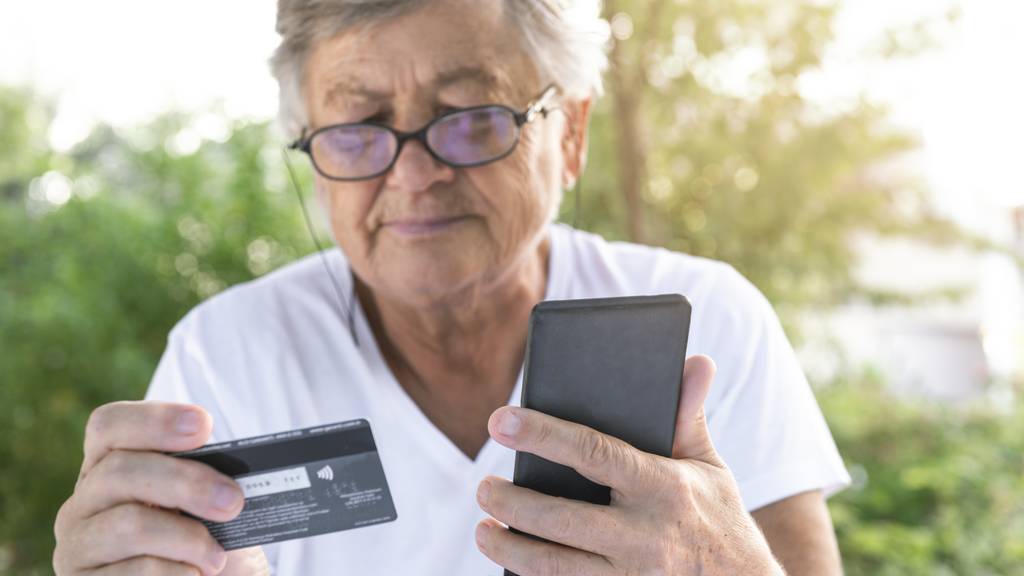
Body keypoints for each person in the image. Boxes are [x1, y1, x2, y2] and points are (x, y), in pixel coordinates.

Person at [52, 1, 851, 574]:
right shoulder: (224, 356)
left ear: (569, 134)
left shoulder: (711, 321)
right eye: (359, 130)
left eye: (471, 117)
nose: (415, 175)